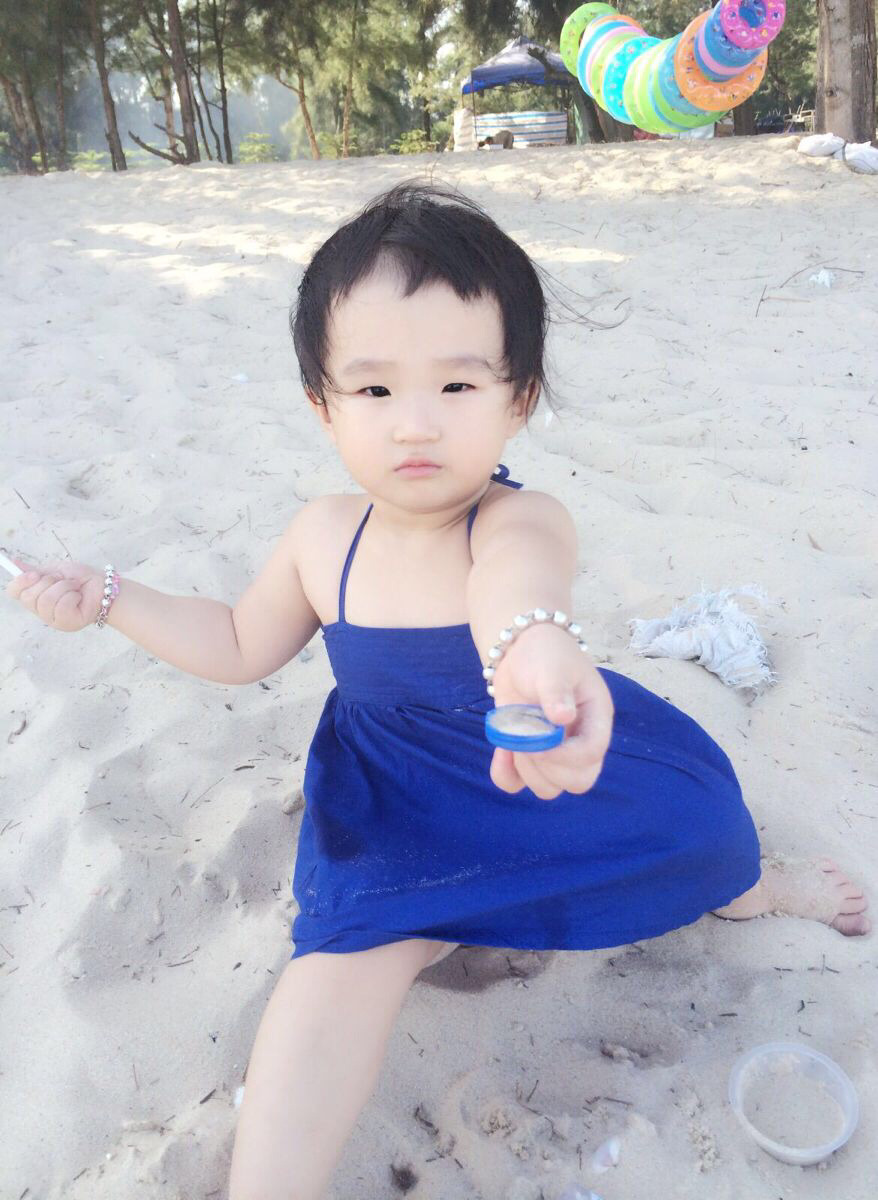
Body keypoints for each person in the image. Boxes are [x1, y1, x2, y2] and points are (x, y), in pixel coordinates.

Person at [3, 180, 869, 1200]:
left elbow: (520, 592)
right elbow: (237, 642)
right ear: (322, 405)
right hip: (395, 795)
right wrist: (110, 597)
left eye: (456, 385)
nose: (414, 424)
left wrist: (533, 652)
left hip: (525, 751)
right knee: (333, 978)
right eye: (373, 391)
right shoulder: (321, 536)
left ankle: (755, 892)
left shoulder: (516, 518)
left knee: (705, 822)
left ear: (519, 398)